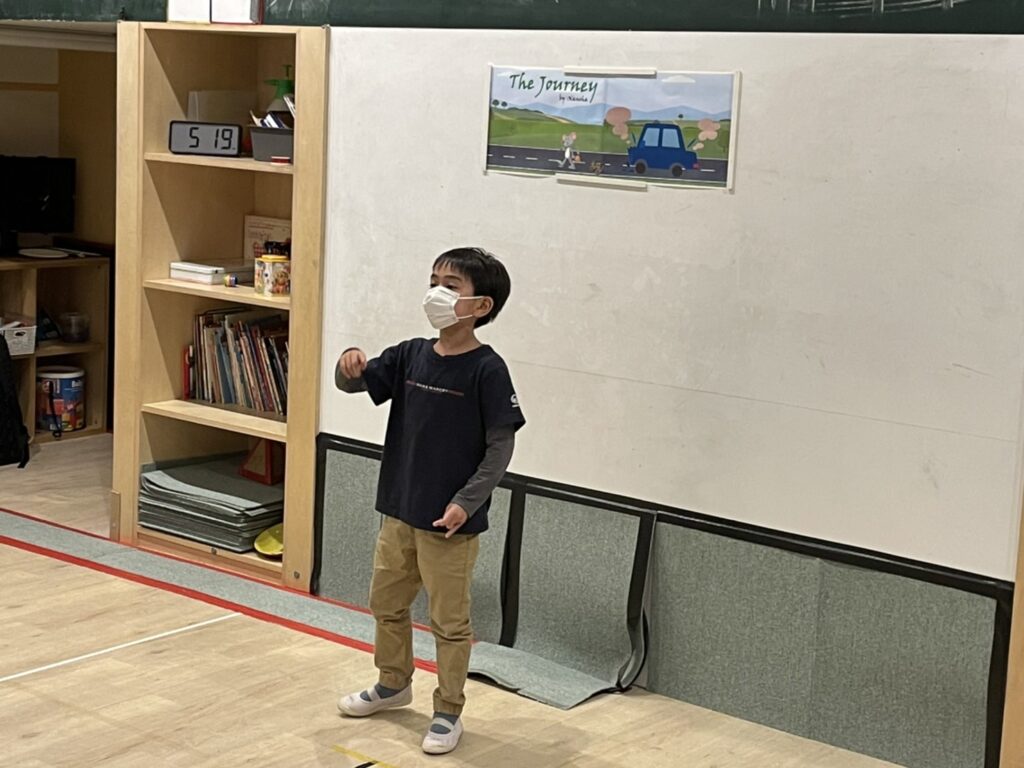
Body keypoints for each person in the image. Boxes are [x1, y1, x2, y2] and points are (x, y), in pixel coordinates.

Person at [334, 247, 525, 755]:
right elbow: (352, 382)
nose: (436, 292)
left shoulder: (488, 370)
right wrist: (347, 364)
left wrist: (466, 502)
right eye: (433, 280)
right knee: (386, 604)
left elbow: (500, 447)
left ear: (480, 306)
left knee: (449, 623)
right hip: (399, 511)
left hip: (450, 526)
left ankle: (448, 710)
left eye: (451, 285)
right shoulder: (410, 354)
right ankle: (393, 683)